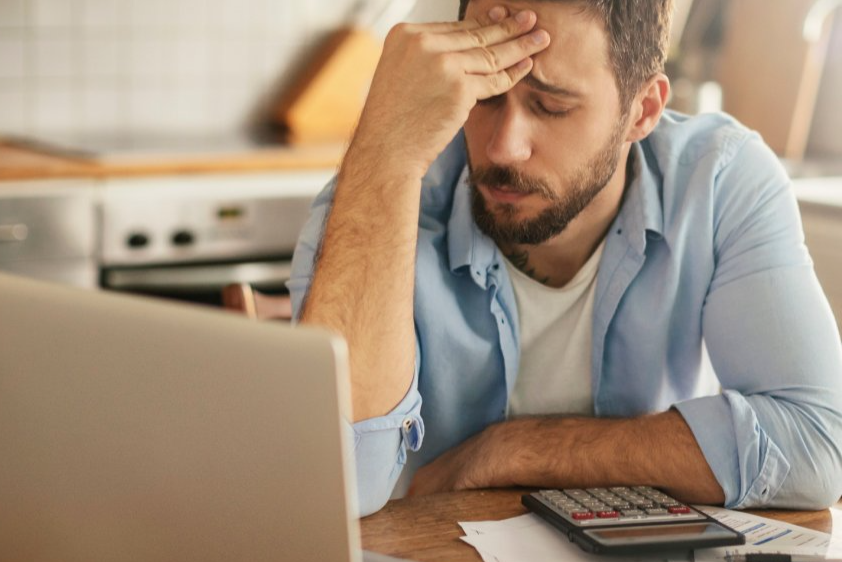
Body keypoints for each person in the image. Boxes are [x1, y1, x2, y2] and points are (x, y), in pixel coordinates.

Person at [288, 0, 842, 517]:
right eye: (483, 95)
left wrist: (511, 451)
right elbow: (335, 487)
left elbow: (819, 440)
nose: (504, 147)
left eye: (551, 106)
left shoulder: (717, 180)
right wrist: (386, 150)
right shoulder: (378, 190)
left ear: (642, 111)